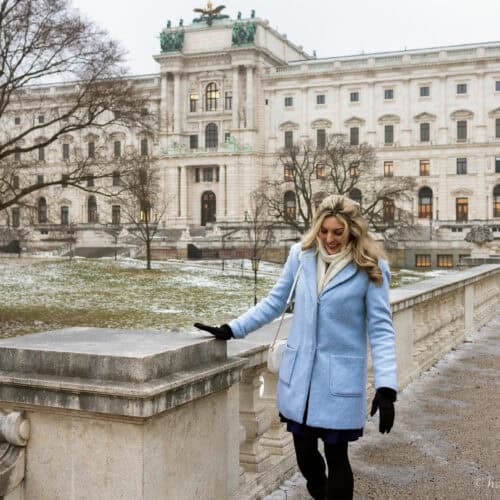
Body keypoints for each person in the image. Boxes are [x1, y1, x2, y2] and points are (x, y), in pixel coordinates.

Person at [194, 194, 398, 500]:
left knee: (336, 455)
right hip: (300, 379)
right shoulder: (300, 256)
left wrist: (386, 388)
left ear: (352, 231)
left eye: (337, 232)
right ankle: (320, 493)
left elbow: (381, 330)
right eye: (324, 231)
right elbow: (275, 302)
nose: (329, 239)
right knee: (305, 456)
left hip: (338, 380)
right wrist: (233, 328)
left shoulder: (371, 268)